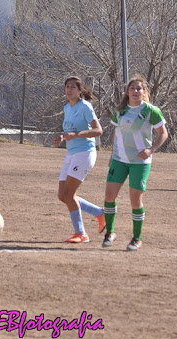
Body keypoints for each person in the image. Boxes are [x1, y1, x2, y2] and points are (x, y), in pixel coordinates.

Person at [101, 76, 168, 251]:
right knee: (109, 197)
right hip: (119, 159)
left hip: (140, 161)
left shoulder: (151, 111)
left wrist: (150, 150)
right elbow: (116, 132)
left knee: (135, 200)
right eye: (132, 88)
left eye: (139, 89)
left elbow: (163, 134)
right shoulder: (120, 111)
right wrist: (112, 154)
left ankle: (137, 238)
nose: (135, 91)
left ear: (144, 92)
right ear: (127, 92)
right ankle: (110, 233)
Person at [54, 76, 105, 243]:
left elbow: (98, 130)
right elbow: (71, 131)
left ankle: (81, 234)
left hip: (85, 153)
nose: (69, 90)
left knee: (69, 194)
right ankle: (99, 213)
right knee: (62, 195)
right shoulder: (67, 107)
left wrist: (76, 135)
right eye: (67, 86)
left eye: (73, 87)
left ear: (80, 90)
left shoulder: (85, 106)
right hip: (71, 153)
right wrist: (63, 137)